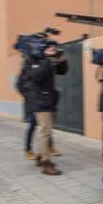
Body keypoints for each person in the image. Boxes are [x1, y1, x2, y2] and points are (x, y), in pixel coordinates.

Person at [27, 42, 68, 175]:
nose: (53, 50)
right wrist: (47, 58)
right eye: (50, 48)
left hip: (48, 101)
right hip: (40, 102)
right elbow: (37, 76)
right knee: (45, 131)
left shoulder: (47, 62)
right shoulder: (36, 61)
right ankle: (46, 162)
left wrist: (61, 60)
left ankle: (40, 156)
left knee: (45, 131)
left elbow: (63, 71)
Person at [16, 63, 59, 160]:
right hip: (33, 102)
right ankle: (28, 150)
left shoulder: (43, 64)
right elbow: (18, 85)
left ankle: (49, 147)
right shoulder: (27, 67)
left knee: (47, 125)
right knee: (33, 125)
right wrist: (29, 96)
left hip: (44, 100)